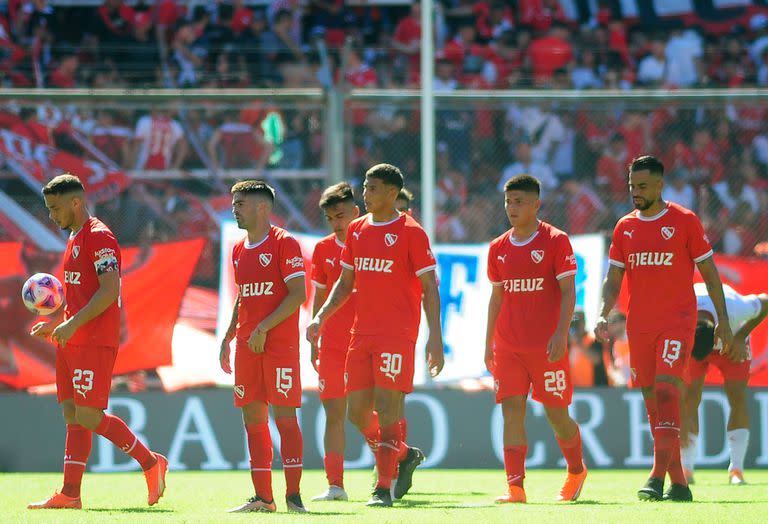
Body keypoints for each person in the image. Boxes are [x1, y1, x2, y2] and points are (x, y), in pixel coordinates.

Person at [595, 155, 734, 502]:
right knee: (653, 404)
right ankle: (680, 484)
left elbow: (711, 276)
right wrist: (602, 312)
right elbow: (613, 280)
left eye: (642, 187)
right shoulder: (624, 226)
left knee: (668, 391)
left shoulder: (684, 221)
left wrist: (723, 322)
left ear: (660, 185)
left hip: (677, 322)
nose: (635, 193)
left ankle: (656, 477)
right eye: (631, 187)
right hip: (639, 325)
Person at [307, 164, 444, 508]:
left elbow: (429, 287)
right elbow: (345, 281)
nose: (365, 194)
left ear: (392, 194)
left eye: (373, 188)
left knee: (387, 409)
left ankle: (383, 488)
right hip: (361, 334)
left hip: (396, 334)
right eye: (365, 187)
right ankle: (404, 454)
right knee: (356, 413)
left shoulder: (411, 232)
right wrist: (321, 317)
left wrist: (435, 338)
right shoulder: (356, 230)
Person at [28, 174, 167, 510]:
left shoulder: (100, 237)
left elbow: (109, 291)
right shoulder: (74, 236)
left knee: (89, 415)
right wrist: (57, 323)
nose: (51, 215)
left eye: (55, 208)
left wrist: (72, 323)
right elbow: (80, 295)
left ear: (76, 202)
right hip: (73, 336)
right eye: (48, 209)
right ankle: (70, 494)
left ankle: (151, 463)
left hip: (94, 339)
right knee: (73, 414)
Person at [486, 174, 586, 504]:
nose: (511, 208)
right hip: (509, 346)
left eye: (519, 202)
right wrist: (488, 343)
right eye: (508, 202)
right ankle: (515, 487)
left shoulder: (556, 241)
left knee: (557, 415)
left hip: (546, 345)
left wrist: (561, 333)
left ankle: (576, 470)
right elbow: (496, 297)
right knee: (512, 411)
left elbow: (568, 290)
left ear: (536, 204)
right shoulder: (498, 247)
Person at [219, 180, 308, 514]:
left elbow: (298, 294)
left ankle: (294, 496)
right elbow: (244, 295)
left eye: (240, 203)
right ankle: (264, 498)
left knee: (285, 418)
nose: (234, 209)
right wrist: (229, 336)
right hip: (246, 344)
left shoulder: (285, 243)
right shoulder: (239, 249)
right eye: (234, 204)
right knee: (253, 420)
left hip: (279, 344)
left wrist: (264, 327)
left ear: (262, 207)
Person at [681, 283, 768, 485]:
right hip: (695, 342)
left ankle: (736, 469)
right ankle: (686, 468)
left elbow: (765, 301)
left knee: (736, 396)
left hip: (732, 342)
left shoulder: (735, 307)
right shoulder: (680, 308)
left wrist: (739, 336)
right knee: (689, 398)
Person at [309, 182, 360, 501]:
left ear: (356, 212)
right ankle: (335, 485)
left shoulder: (371, 244)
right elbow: (319, 295)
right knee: (334, 412)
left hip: (365, 340)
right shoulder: (323, 249)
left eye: (340, 215)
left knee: (365, 411)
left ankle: (394, 464)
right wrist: (315, 335)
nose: (336, 223)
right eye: (330, 218)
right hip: (333, 342)